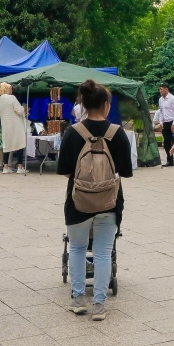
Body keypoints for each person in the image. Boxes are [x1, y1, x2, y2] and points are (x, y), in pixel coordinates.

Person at [57, 79, 132, 321]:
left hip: (78, 199)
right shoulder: (118, 134)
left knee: (77, 248)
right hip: (109, 200)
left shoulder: (72, 132)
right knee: (102, 252)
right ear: (107, 105)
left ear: (84, 105)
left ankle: (78, 299)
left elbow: (65, 171)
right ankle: (99, 304)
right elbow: (126, 172)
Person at [0, 83, 27, 174]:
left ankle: (5, 167)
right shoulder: (12, 98)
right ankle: (20, 167)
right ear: (7, 89)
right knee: (19, 144)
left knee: (7, 145)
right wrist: (23, 108)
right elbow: (19, 110)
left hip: (5, 124)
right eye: (10, 88)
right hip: (15, 124)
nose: (11, 90)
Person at [156, 83, 174, 167]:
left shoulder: (172, 99)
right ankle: (170, 160)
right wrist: (161, 122)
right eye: (159, 89)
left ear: (166, 89)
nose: (160, 91)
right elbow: (161, 111)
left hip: (173, 121)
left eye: (161, 89)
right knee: (166, 142)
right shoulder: (160, 100)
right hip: (165, 122)